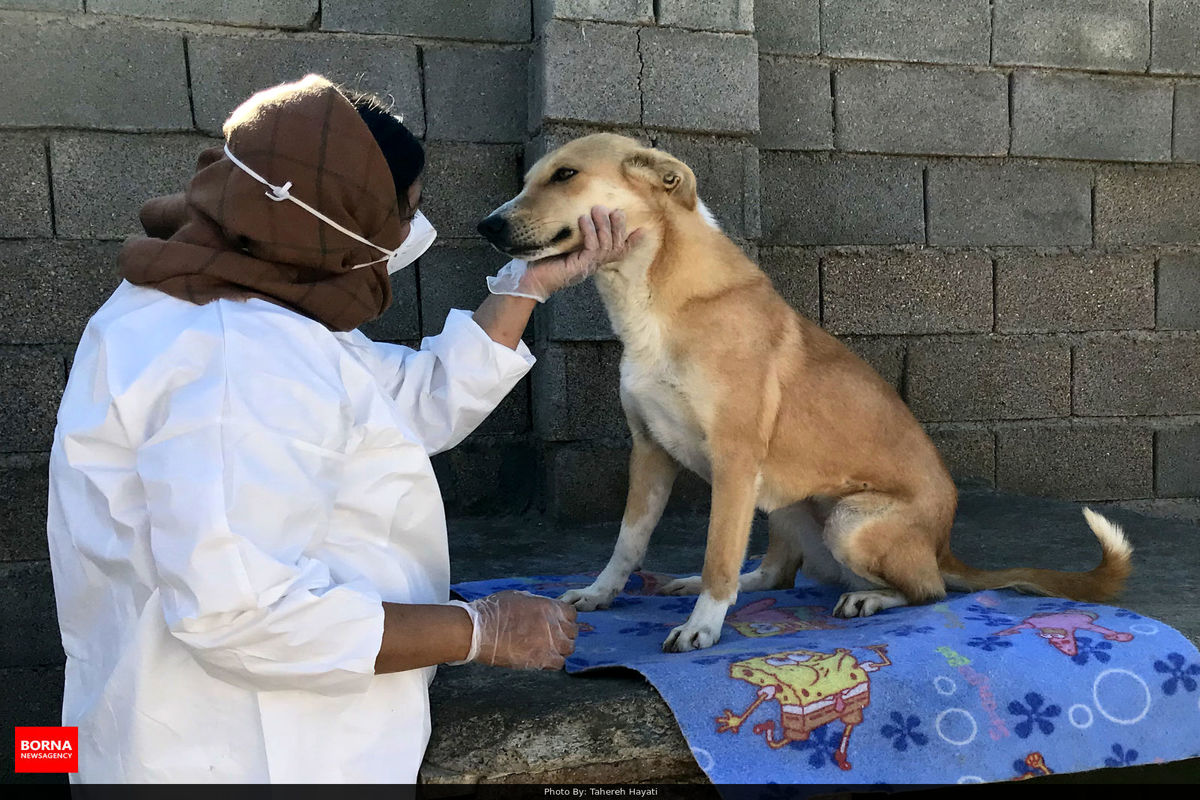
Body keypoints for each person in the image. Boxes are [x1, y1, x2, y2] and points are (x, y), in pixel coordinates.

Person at [46, 74, 639, 783]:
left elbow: (399, 406)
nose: (409, 236)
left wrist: (529, 281)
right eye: (404, 213)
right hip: (244, 750)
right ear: (338, 216)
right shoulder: (242, 358)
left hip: (175, 724)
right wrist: (480, 631)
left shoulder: (216, 291)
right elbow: (244, 615)